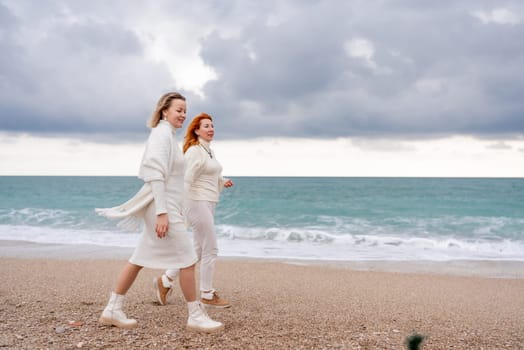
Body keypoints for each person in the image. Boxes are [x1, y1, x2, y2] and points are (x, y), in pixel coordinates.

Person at [96, 93, 224, 333]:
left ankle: (113, 309)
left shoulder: (169, 136)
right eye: (178, 110)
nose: (183, 115)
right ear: (165, 111)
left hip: (167, 207)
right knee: (188, 259)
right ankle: (195, 315)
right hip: (161, 208)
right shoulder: (161, 134)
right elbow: (155, 173)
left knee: (138, 259)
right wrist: (162, 214)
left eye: (185, 110)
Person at [153, 113, 234, 308]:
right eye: (206, 126)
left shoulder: (209, 151)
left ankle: (165, 281)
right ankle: (206, 294)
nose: (211, 128)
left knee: (197, 250)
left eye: (212, 125)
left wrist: (223, 182)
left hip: (208, 201)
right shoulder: (194, 151)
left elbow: (207, 175)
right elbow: (186, 180)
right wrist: (179, 208)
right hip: (195, 201)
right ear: (196, 130)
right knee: (211, 248)